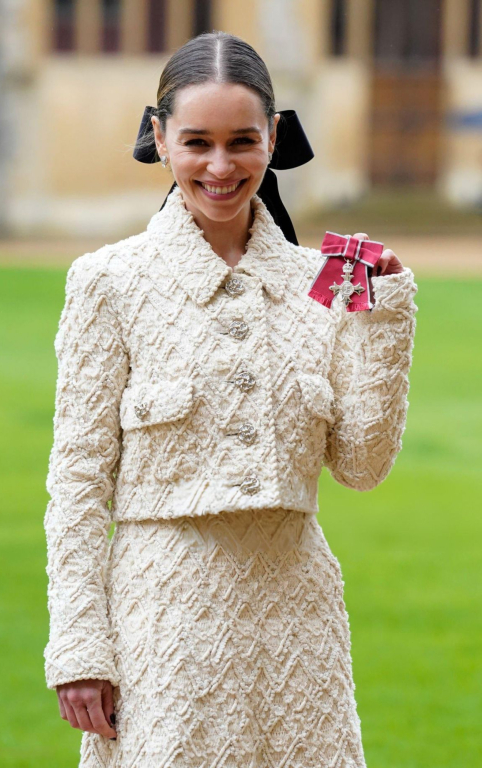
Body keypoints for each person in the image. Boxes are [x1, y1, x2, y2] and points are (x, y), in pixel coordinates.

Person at [43, 30, 418, 768]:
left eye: (243, 141)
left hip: (298, 619)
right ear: (159, 138)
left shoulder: (325, 281)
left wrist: (385, 320)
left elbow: (362, 467)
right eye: (197, 142)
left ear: (274, 138)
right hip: (161, 620)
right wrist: (81, 644)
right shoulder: (108, 282)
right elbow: (79, 479)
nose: (220, 166)